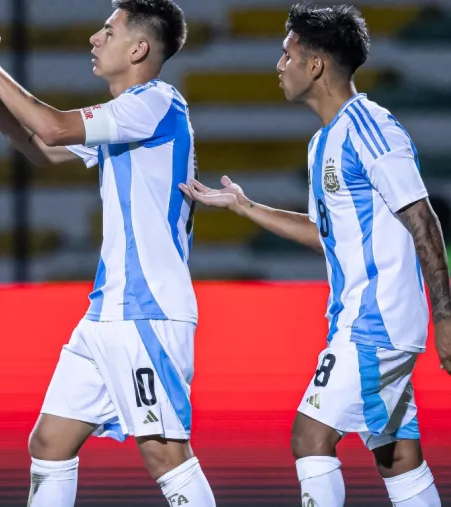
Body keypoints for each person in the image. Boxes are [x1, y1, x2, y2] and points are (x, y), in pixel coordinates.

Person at [181, 4, 450, 506]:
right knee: (395, 455)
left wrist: (447, 316)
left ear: (316, 64)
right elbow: (327, 234)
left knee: (309, 436)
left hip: (376, 322)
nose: (279, 65)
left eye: (287, 55)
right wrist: (244, 206)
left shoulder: (370, 126)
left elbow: (423, 218)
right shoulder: (322, 142)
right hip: (360, 320)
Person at [0, 1, 216, 505]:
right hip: (107, 313)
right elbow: (36, 144)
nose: (95, 39)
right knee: (50, 443)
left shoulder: (157, 102)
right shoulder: (128, 115)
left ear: (139, 49)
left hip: (147, 311)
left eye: (108, 31)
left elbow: (53, 127)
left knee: (165, 454)